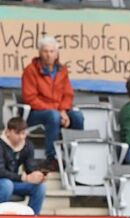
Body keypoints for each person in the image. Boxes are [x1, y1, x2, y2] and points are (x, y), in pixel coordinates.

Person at [22, 36, 84, 166]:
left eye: (51, 51)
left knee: (77, 116)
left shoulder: (62, 70)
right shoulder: (30, 70)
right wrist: (57, 111)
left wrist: (63, 110)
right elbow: (30, 98)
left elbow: (68, 94)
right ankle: (52, 158)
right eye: (45, 51)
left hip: (58, 110)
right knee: (53, 115)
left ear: (57, 54)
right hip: (36, 113)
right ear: (39, 53)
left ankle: (75, 155)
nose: (48, 55)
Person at [0, 117, 46, 214]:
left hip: (14, 183)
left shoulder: (27, 145)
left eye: (23, 133)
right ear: (8, 132)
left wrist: (37, 175)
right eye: (17, 133)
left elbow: (30, 167)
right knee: (7, 185)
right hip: (3, 182)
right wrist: (23, 177)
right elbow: (1, 171)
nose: (21, 137)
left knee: (40, 187)